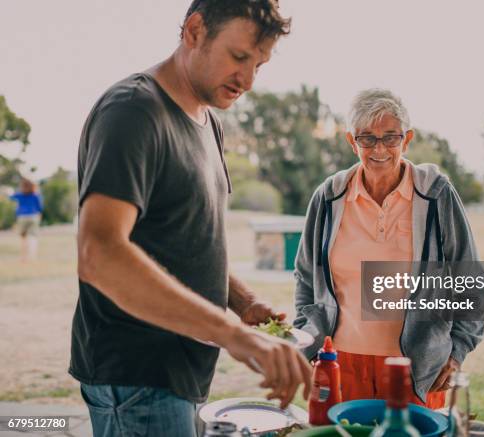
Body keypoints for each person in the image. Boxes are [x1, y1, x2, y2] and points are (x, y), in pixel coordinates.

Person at [70, 1, 311, 436]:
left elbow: (186, 240)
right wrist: (234, 336)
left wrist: (242, 303)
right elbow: (99, 252)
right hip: (136, 375)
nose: (249, 80)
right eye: (239, 57)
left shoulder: (206, 120)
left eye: (260, 64)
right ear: (195, 30)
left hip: (181, 372)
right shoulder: (132, 111)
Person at [293, 89, 484, 409]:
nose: (379, 149)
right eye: (366, 138)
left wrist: (458, 350)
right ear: (351, 142)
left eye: (390, 138)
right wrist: (307, 340)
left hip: (417, 367)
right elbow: (305, 275)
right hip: (340, 362)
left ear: (406, 140)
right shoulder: (328, 197)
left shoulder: (436, 195)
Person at [10, 178, 43, 262]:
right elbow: (40, 207)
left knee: (23, 238)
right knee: (33, 237)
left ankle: (23, 257)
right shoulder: (35, 195)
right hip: (34, 216)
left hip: (22, 217)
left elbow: (10, 197)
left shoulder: (19, 194)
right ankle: (33, 257)